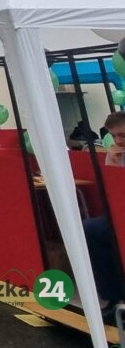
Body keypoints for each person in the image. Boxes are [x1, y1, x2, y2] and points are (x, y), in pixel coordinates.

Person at [84, 111, 125, 318]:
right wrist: (113, 164)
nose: (118, 141)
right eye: (114, 136)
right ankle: (114, 297)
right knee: (89, 229)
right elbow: (110, 192)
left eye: (123, 135)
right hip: (120, 215)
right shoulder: (115, 155)